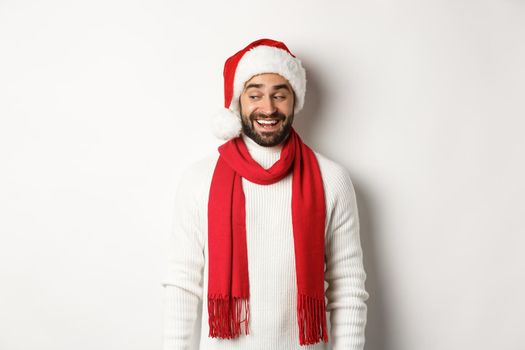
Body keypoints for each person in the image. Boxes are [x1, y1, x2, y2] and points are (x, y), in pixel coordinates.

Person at [162, 38, 369, 350]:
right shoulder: (198, 180)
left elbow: (348, 288)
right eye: (255, 94)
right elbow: (182, 285)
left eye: (279, 95)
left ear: (295, 99)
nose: (268, 108)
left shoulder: (332, 179)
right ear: (238, 103)